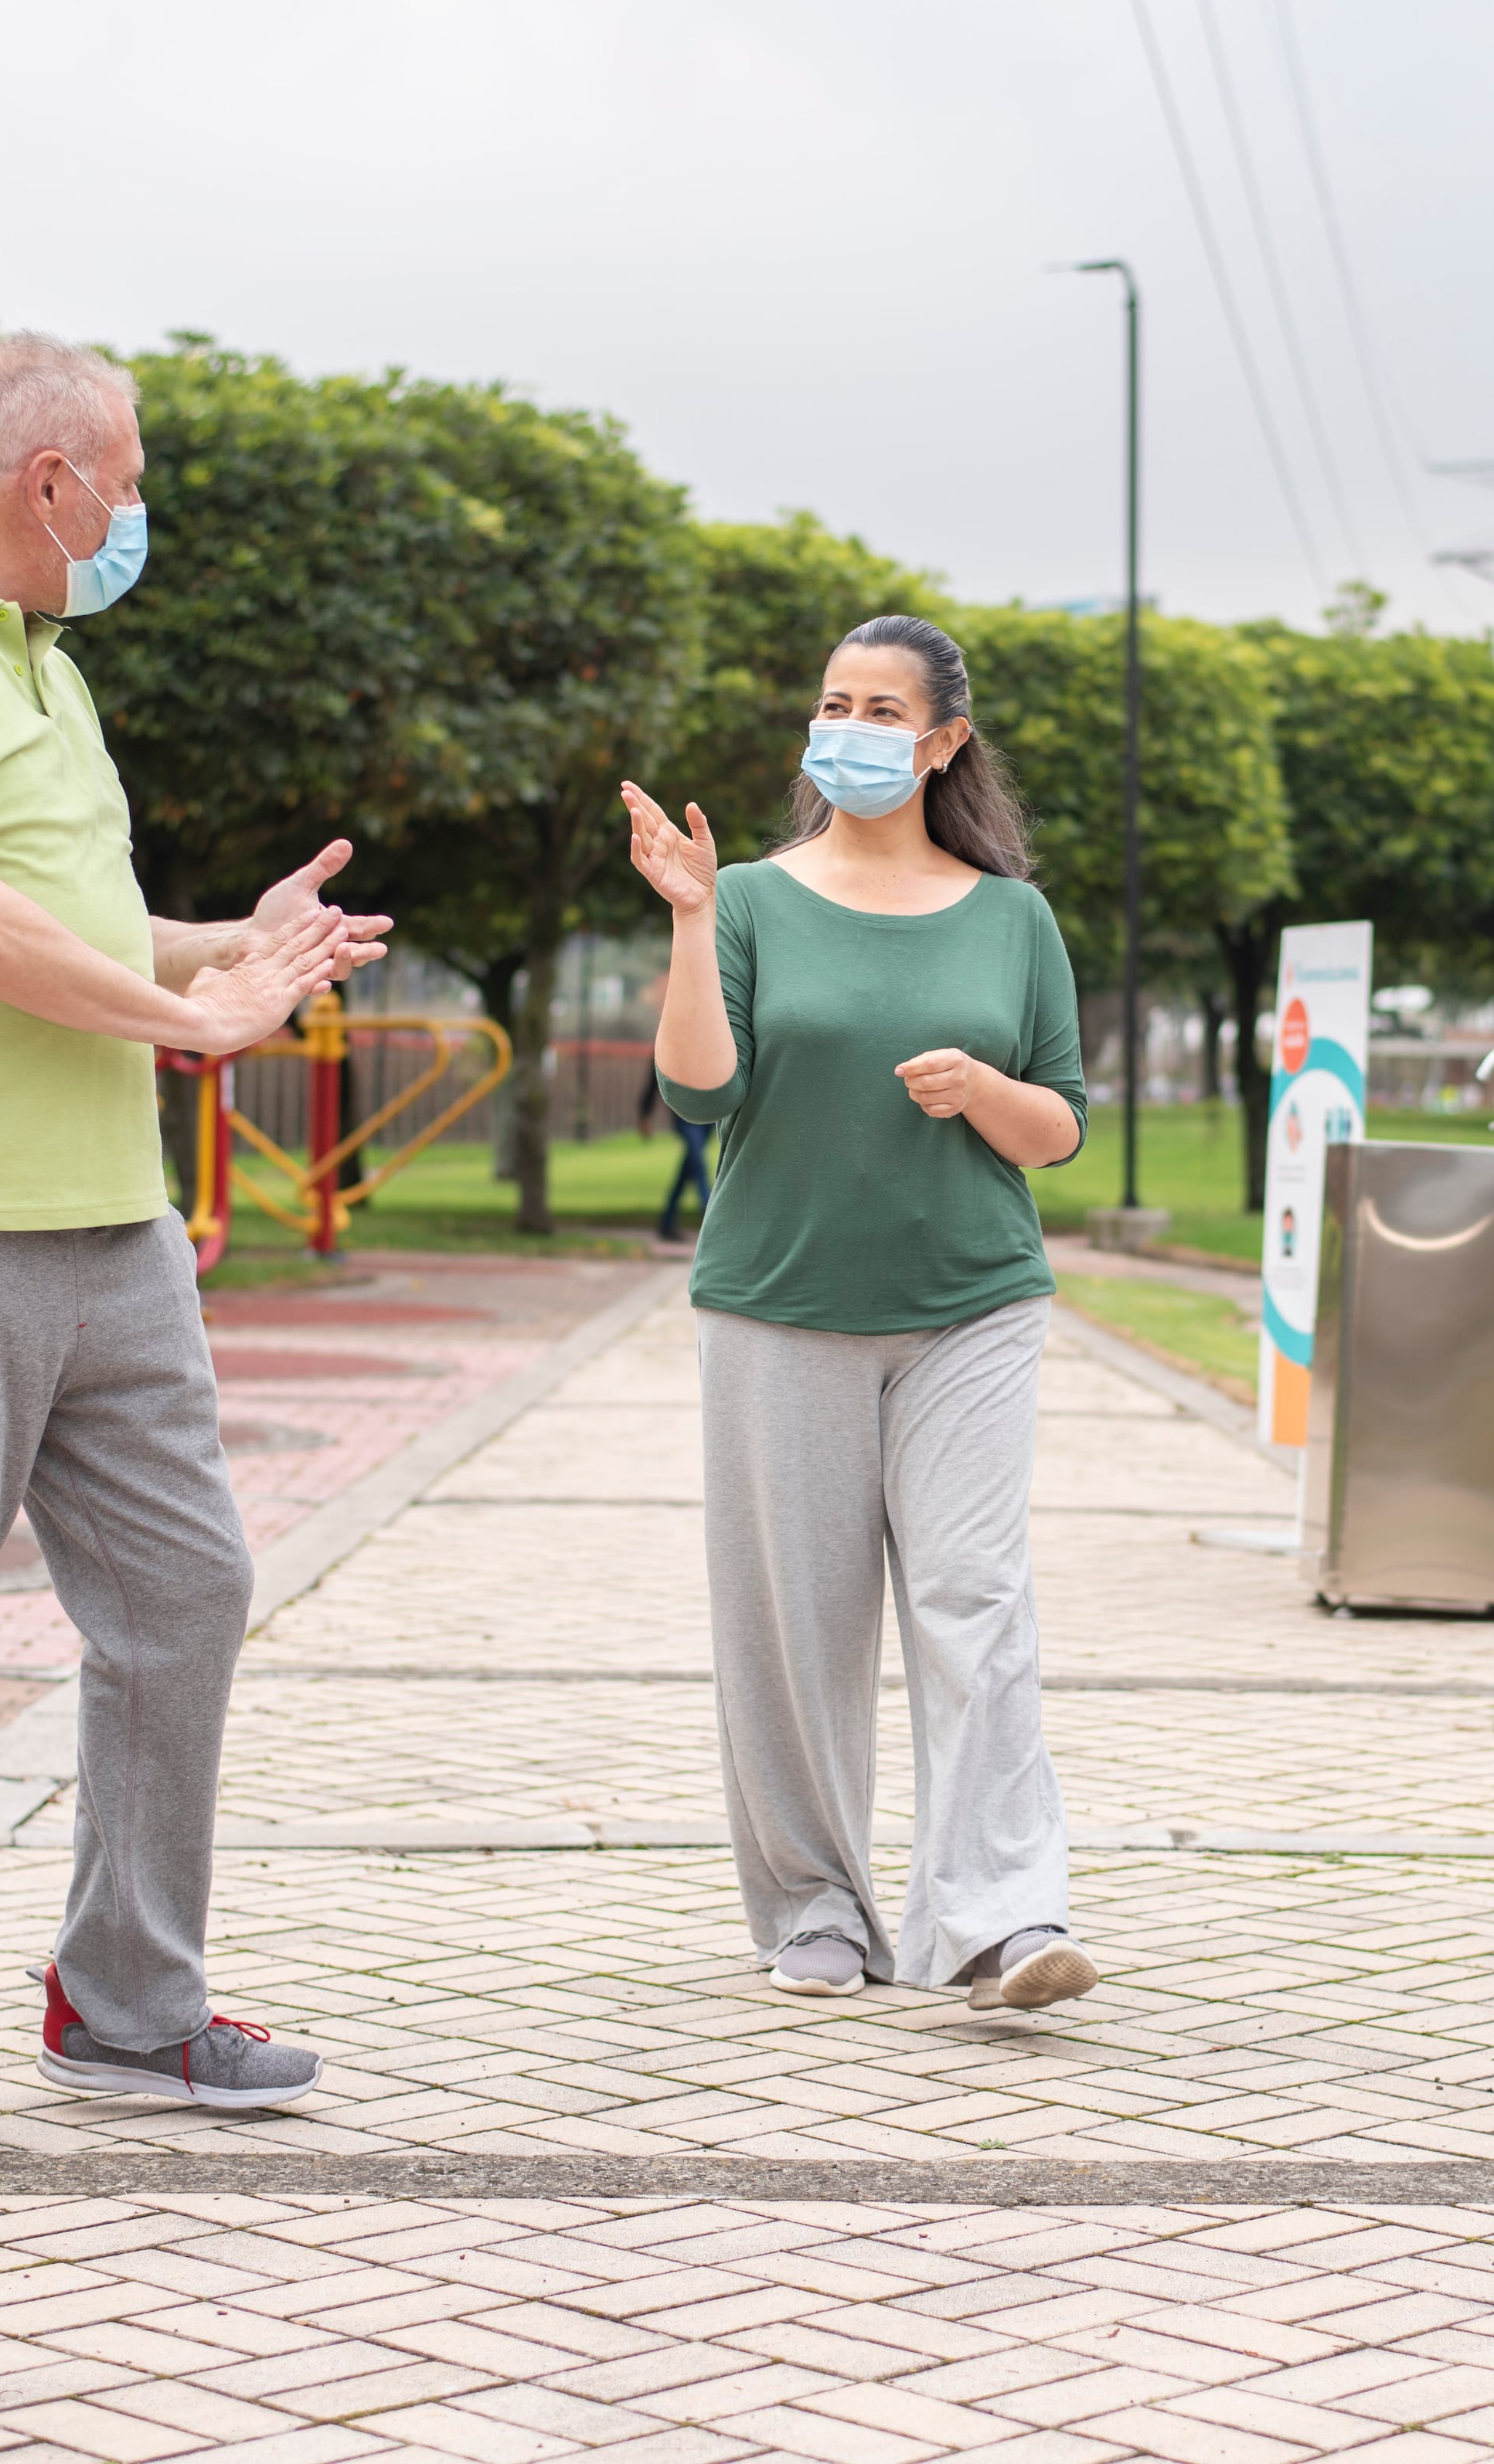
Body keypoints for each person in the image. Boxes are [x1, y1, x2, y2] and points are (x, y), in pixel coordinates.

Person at [0, 335, 391, 2175]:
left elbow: (76, 917)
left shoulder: (50, 667)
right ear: (51, 481)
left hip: (113, 1228)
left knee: (185, 1591)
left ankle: (123, 2002)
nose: (137, 509)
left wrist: (221, 947)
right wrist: (202, 1027)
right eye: (127, 475)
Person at [617, 613, 1102, 2012]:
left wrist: (986, 1095)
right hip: (780, 1302)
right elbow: (702, 1091)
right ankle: (815, 1906)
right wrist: (695, 916)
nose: (852, 728)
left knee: (975, 1602)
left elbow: (1061, 1123)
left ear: (945, 739)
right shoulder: (758, 898)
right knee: (795, 1622)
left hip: (971, 1305)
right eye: (836, 701)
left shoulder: (1014, 917)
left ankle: (1005, 1916)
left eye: (884, 709)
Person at [640, 1065, 713, 1242]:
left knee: (689, 1169)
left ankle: (667, 1222)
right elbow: (654, 1078)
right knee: (698, 1164)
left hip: (709, 1115)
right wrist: (645, 1114)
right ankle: (710, 1214)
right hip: (685, 1116)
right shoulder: (674, 1038)